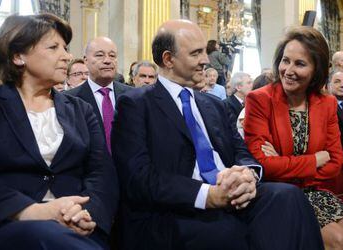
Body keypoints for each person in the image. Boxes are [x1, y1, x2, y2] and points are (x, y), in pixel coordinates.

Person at [111, 19, 324, 250]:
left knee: (289, 197)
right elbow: (139, 178)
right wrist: (209, 195)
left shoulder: (214, 104)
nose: (206, 60)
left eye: (204, 51)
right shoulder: (135, 104)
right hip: (177, 208)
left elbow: (241, 151)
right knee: (231, 232)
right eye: (196, 53)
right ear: (168, 59)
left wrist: (248, 177)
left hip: (232, 194)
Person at [0, 14, 118, 250]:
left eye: (66, 48)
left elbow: (102, 174)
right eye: (53, 47)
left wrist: (86, 214)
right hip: (3, 227)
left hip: (77, 227)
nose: (67, 56)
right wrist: (37, 212)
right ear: (18, 56)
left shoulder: (82, 110)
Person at [244, 26, 343, 250]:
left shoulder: (326, 103)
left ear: (316, 70)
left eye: (299, 64)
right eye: (285, 60)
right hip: (278, 196)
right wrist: (315, 159)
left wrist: (284, 162)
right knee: (339, 241)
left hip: (315, 191)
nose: (288, 70)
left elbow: (336, 162)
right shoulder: (259, 100)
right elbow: (265, 166)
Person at [66, 36, 131, 153]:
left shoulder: (132, 96)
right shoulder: (69, 100)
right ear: (85, 60)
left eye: (112, 56)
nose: (107, 60)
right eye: (100, 55)